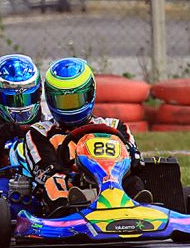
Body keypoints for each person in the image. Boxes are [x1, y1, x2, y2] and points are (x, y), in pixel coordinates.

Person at [23, 57, 146, 207]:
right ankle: (66, 214)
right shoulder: (39, 133)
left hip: (114, 184)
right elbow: (45, 170)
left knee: (134, 181)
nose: (70, 108)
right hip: (70, 188)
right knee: (54, 182)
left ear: (89, 95)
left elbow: (133, 162)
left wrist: (133, 159)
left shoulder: (114, 127)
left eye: (76, 100)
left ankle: (141, 208)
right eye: (63, 101)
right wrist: (74, 178)